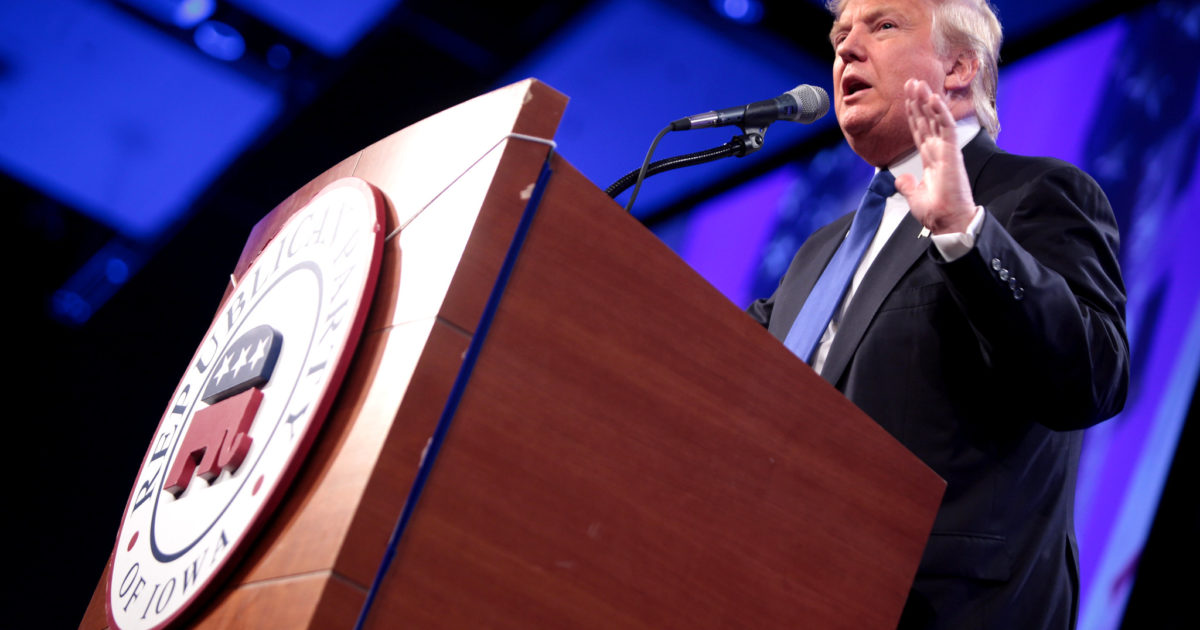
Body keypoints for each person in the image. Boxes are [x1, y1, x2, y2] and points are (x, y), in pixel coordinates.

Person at [746, 0, 1129, 627]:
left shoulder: (1033, 196)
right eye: (840, 33)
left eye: (884, 25)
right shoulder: (818, 253)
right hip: (782, 593)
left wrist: (965, 231)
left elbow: (1090, 377)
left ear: (959, 67)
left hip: (943, 609)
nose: (845, 48)